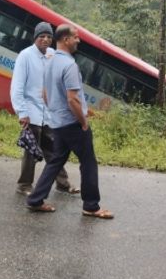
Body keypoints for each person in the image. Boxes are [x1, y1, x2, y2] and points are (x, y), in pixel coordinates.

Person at [26, 24, 113, 219]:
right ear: (66, 39)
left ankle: (35, 200)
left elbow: (44, 93)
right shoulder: (69, 65)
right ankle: (91, 206)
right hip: (72, 123)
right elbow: (72, 99)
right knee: (88, 162)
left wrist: (54, 112)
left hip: (57, 122)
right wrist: (83, 122)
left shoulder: (49, 62)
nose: (78, 41)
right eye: (76, 37)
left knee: (56, 161)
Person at [10, 21, 79, 196]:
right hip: (31, 111)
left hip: (48, 113)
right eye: (42, 36)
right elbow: (17, 86)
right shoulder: (25, 56)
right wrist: (22, 112)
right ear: (35, 38)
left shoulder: (52, 55)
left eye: (49, 37)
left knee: (55, 151)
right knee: (31, 151)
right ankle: (24, 185)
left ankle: (63, 184)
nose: (46, 40)